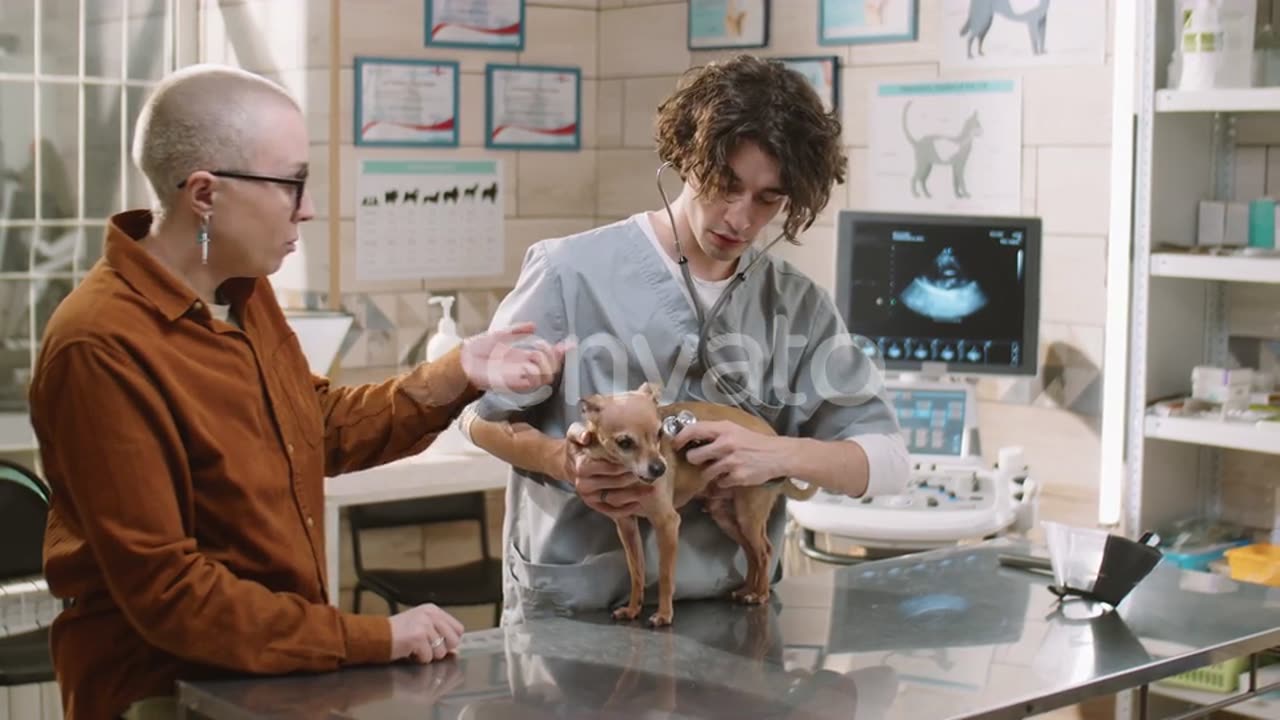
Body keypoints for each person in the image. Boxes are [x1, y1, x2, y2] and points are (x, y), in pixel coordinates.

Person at [27, 64, 565, 720]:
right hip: (165, 694)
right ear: (204, 193)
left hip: (273, 680)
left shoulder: (242, 294)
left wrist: (458, 372)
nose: (307, 207)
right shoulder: (100, 345)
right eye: (292, 184)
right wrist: (372, 635)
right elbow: (170, 591)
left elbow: (314, 425)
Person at [460, 54, 909, 625]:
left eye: (768, 199)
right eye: (726, 184)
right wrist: (561, 460)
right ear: (685, 156)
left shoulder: (797, 308)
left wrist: (773, 453)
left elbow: (888, 461)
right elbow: (477, 418)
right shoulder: (569, 273)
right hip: (579, 616)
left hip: (733, 622)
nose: (741, 218)